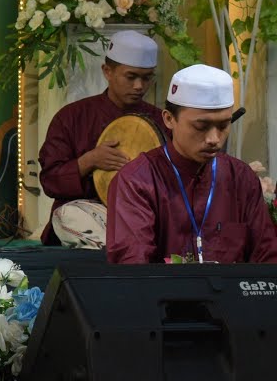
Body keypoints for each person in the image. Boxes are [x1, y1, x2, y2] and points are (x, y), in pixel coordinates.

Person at [107, 64, 277, 263]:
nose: (214, 139)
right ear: (169, 119)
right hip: (164, 294)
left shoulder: (240, 177)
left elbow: (267, 260)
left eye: (223, 125)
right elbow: (133, 271)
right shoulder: (137, 181)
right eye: (201, 126)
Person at [38, 30, 167, 248]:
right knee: (70, 215)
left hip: (144, 216)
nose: (139, 86)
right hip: (85, 217)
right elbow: (50, 181)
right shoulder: (72, 116)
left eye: (147, 78)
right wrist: (89, 161)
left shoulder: (162, 120)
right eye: (131, 76)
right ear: (107, 71)